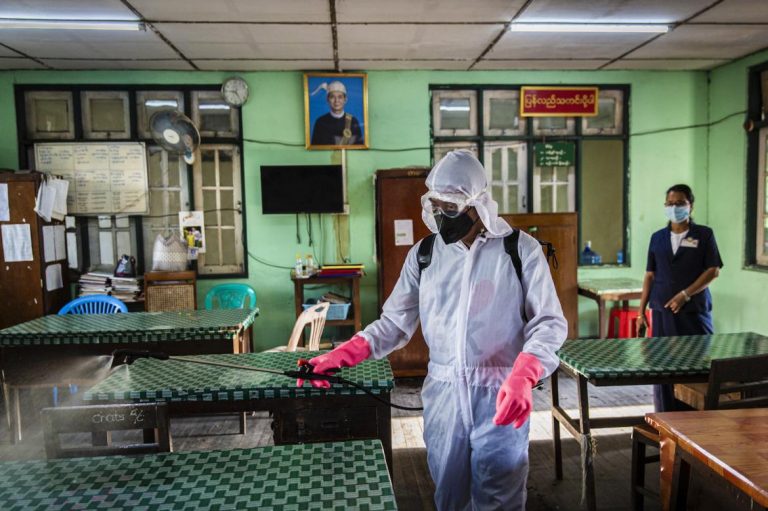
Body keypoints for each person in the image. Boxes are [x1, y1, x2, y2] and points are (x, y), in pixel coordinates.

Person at [297, 150, 567, 510]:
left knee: (500, 498)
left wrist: (524, 373)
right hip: (443, 398)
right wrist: (342, 354)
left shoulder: (519, 250)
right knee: (448, 496)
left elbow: (549, 322)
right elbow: (394, 322)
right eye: (437, 207)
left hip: (501, 394)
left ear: (477, 204)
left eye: (451, 208)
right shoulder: (425, 255)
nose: (442, 217)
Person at [637, 184, 723, 412]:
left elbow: (713, 270)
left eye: (679, 203)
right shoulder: (658, 238)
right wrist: (641, 311)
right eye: (670, 204)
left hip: (694, 311)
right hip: (662, 311)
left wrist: (686, 294)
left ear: (690, 205)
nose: (674, 208)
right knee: (663, 367)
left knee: (698, 364)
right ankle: (665, 421)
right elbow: (649, 275)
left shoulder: (704, 235)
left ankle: (697, 424)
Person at [310, 80, 363, 146]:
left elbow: (359, 149)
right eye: (332, 97)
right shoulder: (320, 122)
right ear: (327, 99)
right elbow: (315, 148)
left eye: (340, 97)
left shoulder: (353, 121)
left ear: (345, 99)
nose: (336, 101)